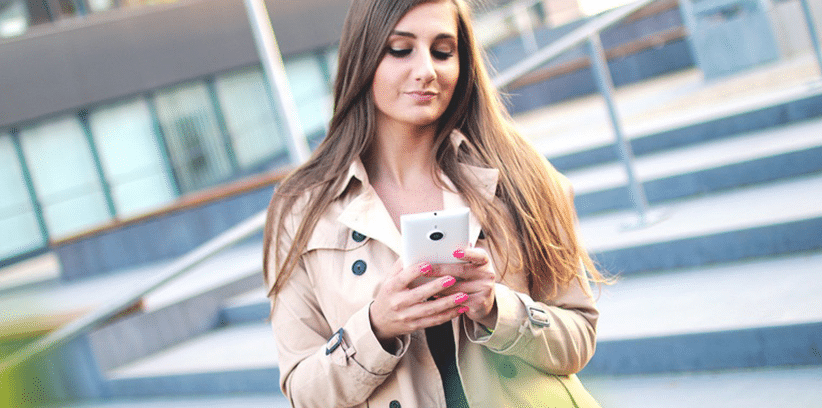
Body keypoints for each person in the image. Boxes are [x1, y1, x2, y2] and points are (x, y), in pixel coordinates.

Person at [263, 0, 607, 406]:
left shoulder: (521, 174)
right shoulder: (301, 209)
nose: (426, 70)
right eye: (400, 49)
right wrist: (376, 328)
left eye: (443, 52)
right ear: (364, 57)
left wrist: (499, 309)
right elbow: (304, 392)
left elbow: (580, 338)